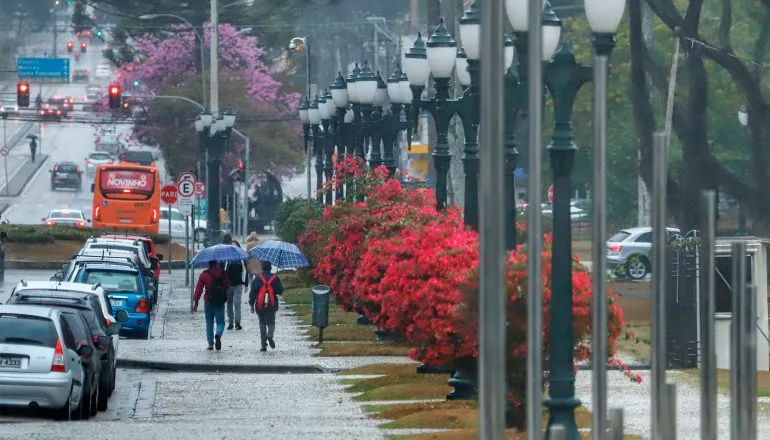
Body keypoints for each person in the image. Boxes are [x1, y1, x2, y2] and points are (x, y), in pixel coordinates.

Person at [193, 260, 231, 350]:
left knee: (209, 323)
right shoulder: (222, 272)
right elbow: (228, 285)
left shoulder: (204, 274)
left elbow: (199, 289)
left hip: (208, 301)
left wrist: (196, 301)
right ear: (216, 263)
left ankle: (210, 344)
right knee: (220, 322)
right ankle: (218, 335)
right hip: (220, 302)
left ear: (209, 263)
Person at [249, 261, 283, 352]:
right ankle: (270, 335)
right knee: (271, 321)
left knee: (262, 323)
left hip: (260, 305)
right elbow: (280, 291)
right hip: (272, 304)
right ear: (270, 268)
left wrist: (251, 304)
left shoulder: (257, 279)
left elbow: (252, 293)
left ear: (262, 268)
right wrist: (276, 281)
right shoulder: (274, 278)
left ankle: (263, 345)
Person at [223, 237, 247, 330]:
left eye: (236, 246)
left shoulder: (242, 258)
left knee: (237, 303)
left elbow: (246, 271)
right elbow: (223, 272)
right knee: (229, 303)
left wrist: (246, 285)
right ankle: (230, 322)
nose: (233, 248)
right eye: (232, 246)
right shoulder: (226, 259)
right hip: (228, 285)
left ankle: (237, 323)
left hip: (238, 285)